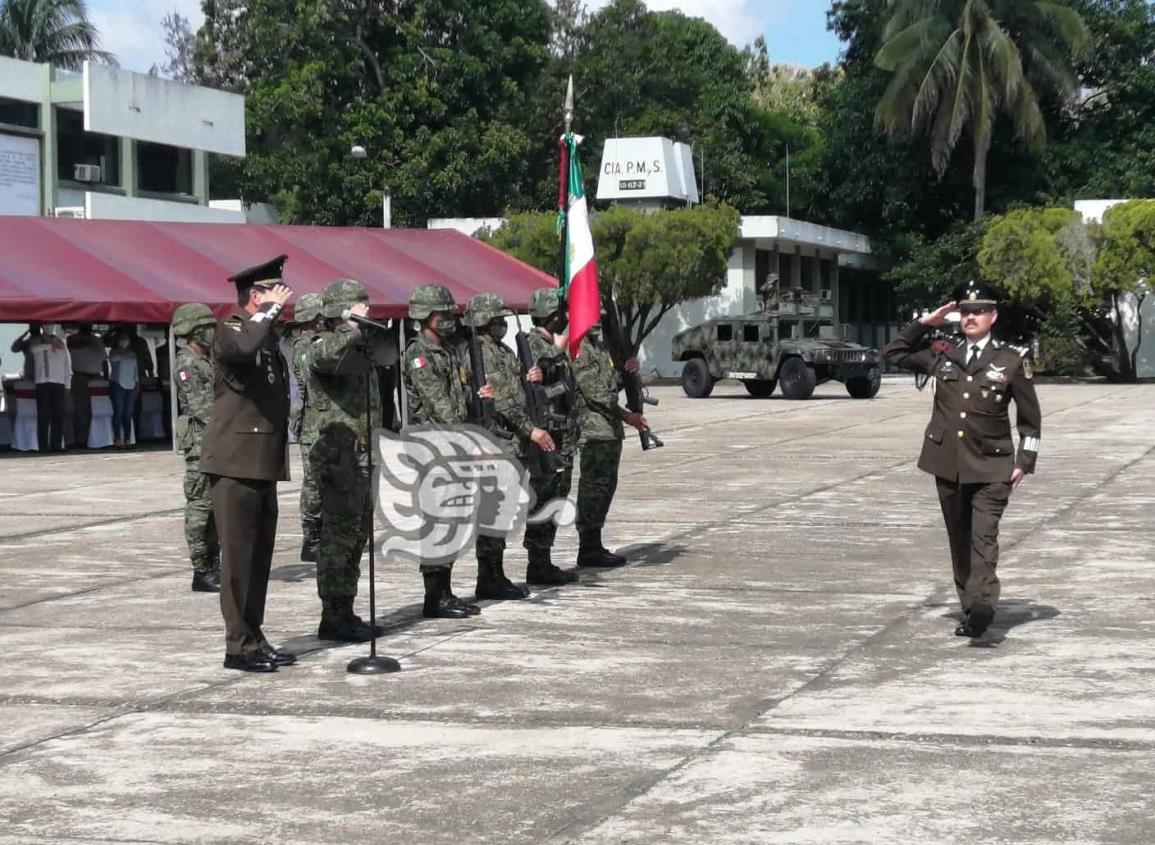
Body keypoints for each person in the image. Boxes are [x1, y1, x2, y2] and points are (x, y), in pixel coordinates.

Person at [881, 280, 1042, 639]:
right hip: (947, 463)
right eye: (965, 312)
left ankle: (983, 602)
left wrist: (1024, 461)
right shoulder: (941, 350)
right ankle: (971, 610)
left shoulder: (1010, 360)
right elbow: (892, 353)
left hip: (992, 465)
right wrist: (925, 323)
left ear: (993, 316)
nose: (970, 318)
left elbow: (1031, 418)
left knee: (983, 537)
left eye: (979, 312)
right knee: (959, 538)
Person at [199, 255, 296, 673]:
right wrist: (270, 311)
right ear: (255, 295)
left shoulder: (266, 333)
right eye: (272, 292)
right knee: (238, 561)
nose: (281, 298)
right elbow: (242, 348)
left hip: (262, 460)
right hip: (235, 461)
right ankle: (237, 646)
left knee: (259, 560)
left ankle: (254, 637)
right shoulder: (231, 328)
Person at [296, 278, 390, 642]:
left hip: (363, 453)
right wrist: (351, 328)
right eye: (359, 306)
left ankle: (346, 609)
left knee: (355, 536)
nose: (367, 311)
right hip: (337, 456)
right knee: (336, 538)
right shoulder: (318, 347)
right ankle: (332, 614)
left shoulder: (358, 348)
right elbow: (324, 357)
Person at [402, 284, 491, 619]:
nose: (448, 321)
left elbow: (457, 397)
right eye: (442, 315)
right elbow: (439, 405)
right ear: (425, 316)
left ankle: (445, 591)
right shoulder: (419, 354)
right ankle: (434, 596)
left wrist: (477, 395)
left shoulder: (450, 352)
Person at [464, 293, 556, 600]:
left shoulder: (500, 349)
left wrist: (533, 376)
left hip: (513, 443)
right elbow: (500, 400)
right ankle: (488, 577)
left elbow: (517, 389)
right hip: (500, 441)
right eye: (495, 319)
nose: (501, 324)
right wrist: (531, 431)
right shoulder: (480, 352)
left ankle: (496, 573)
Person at [571, 320, 649, 567]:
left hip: (609, 429)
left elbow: (609, 385)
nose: (596, 321)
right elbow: (594, 394)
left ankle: (595, 543)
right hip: (594, 429)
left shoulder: (601, 349)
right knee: (593, 488)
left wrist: (627, 370)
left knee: (606, 487)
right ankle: (587, 547)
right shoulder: (580, 349)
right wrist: (627, 415)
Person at [521, 289, 581, 586]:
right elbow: (537, 389)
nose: (567, 319)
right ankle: (537, 562)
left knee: (557, 494)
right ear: (551, 316)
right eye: (562, 314)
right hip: (548, 435)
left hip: (562, 434)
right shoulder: (534, 345)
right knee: (544, 496)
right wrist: (557, 355)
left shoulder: (549, 344)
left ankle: (544, 559)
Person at [171, 304, 221, 593]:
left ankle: (214, 565)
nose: (211, 333)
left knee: (216, 508)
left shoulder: (207, 360)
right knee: (201, 508)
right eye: (206, 328)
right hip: (202, 443)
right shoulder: (187, 363)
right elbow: (204, 408)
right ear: (192, 331)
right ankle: (202, 569)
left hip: (215, 441)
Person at [289, 292, 325, 563]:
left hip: (326, 421)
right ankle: (311, 537)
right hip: (312, 422)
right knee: (313, 481)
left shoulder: (320, 342)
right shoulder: (303, 346)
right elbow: (309, 378)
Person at [27, 326, 71, 452]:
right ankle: (43, 446)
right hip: (43, 382)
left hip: (59, 382)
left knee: (58, 415)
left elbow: (67, 364)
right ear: (42, 327)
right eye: (46, 325)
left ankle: (56, 445)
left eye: (51, 325)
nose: (49, 328)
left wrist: (68, 384)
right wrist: (49, 345)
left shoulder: (60, 341)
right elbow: (33, 350)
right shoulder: (37, 340)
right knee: (43, 415)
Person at [67, 324, 108, 449]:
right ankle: (83, 438)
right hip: (84, 377)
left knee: (89, 410)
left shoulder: (89, 340)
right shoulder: (75, 339)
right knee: (82, 410)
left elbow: (103, 360)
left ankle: (87, 438)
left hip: (89, 377)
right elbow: (104, 361)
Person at [107, 329, 139, 448]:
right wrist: (123, 353)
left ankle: (127, 438)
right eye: (122, 340)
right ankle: (117, 438)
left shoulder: (133, 353)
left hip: (131, 385)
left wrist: (137, 383)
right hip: (118, 384)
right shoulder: (113, 352)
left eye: (126, 340)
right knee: (118, 412)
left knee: (128, 413)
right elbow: (114, 359)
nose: (124, 342)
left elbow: (135, 370)